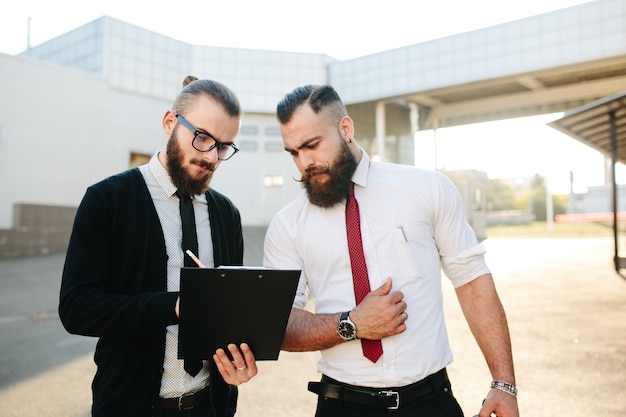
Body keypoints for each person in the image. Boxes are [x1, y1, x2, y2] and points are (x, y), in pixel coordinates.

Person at [263, 84, 519, 417]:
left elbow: (472, 280)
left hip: (431, 402)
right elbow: (278, 324)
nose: (304, 162)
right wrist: (351, 324)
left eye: (312, 145)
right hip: (341, 406)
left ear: (345, 128)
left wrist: (504, 384)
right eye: (293, 152)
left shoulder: (427, 188)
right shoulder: (287, 225)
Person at [59, 76, 257, 417]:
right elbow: (77, 308)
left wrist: (238, 357)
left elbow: (226, 314)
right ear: (169, 122)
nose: (211, 156)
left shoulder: (226, 214)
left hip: (210, 407)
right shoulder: (108, 200)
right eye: (202, 137)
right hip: (129, 407)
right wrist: (174, 307)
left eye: (223, 146)